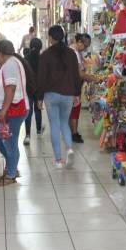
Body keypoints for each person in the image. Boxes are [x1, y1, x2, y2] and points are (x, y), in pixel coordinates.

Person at [37, 25, 81, 169]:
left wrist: (39, 97)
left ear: (50, 38)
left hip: (51, 95)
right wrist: (77, 93)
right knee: (64, 123)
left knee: (54, 125)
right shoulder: (71, 54)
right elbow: (76, 75)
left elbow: (41, 78)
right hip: (68, 94)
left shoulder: (45, 55)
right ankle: (69, 148)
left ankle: (58, 160)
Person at [0, 40, 30, 186]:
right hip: (6, 112)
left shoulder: (10, 65)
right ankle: (12, 167)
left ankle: (11, 173)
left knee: (8, 142)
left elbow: (11, 88)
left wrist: (3, 111)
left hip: (11, 113)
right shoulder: (9, 64)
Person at [69, 33, 100, 143]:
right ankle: (74, 133)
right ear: (79, 42)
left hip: (72, 86)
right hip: (73, 86)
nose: (86, 48)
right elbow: (80, 74)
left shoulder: (75, 51)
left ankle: (71, 132)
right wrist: (94, 79)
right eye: (86, 46)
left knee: (72, 110)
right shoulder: (75, 53)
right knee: (74, 110)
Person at [23, 37, 44, 145]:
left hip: (28, 88)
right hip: (39, 89)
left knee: (28, 112)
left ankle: (27, 135)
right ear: (40, 47)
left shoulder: (25, 59)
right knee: (38, 110)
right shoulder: (42, 59)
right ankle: (39, 131)